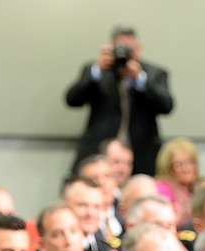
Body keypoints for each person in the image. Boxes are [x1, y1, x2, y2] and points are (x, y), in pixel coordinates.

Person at [65, 25, 174, 176]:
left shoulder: (155, 74)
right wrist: (97, 71)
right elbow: (72, 100)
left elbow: (166, 106)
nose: (125, 54)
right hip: (100, 149)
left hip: (142, 153)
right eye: (120, 48)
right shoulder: (97, 71)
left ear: (139, 49)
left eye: (129, 49)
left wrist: (140, 80)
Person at [154, 138, 199, 230]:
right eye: (179, 164)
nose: (187, 168)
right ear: (168, 167)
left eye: (190, 162)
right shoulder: (161, 188)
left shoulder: (197, 187)